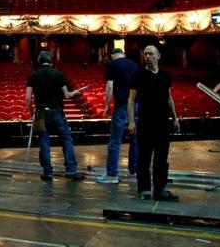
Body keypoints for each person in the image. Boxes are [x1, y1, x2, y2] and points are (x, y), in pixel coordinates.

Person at [128, 45, 180, 201]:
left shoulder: (165, 76)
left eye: (150, 54)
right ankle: (144, 189)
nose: (147, 56)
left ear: (158, 56)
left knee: (161, 158)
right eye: (145, 54)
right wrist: (131, 121)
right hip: (145, 122)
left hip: (162, 122)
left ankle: (160, 189)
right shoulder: (139, 75)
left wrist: (175, 118)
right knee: (144, 157)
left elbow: (169, 98)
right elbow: (131, 100)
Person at [26, 50, 86, 181]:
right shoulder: (59, 74)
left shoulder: (34, 75)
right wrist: (75, 92)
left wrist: (31, 113)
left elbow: (28, 98)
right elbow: (67, 95)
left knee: (44, 141)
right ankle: (71, 170)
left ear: (39, 60)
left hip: (41, 113)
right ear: (51, 60)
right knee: (66, 140)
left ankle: (48, 172)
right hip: (57, 111)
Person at [96, 47, 139, 184]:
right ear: (123, 54)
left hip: (122, 105)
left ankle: (112, 174)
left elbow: (109, 86)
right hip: (137, 104)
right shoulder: (134, 64)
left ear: (112, 56)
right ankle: (134, 171)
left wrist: (107, 105)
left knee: (115, 140)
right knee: (135, 140)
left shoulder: (113, 64)